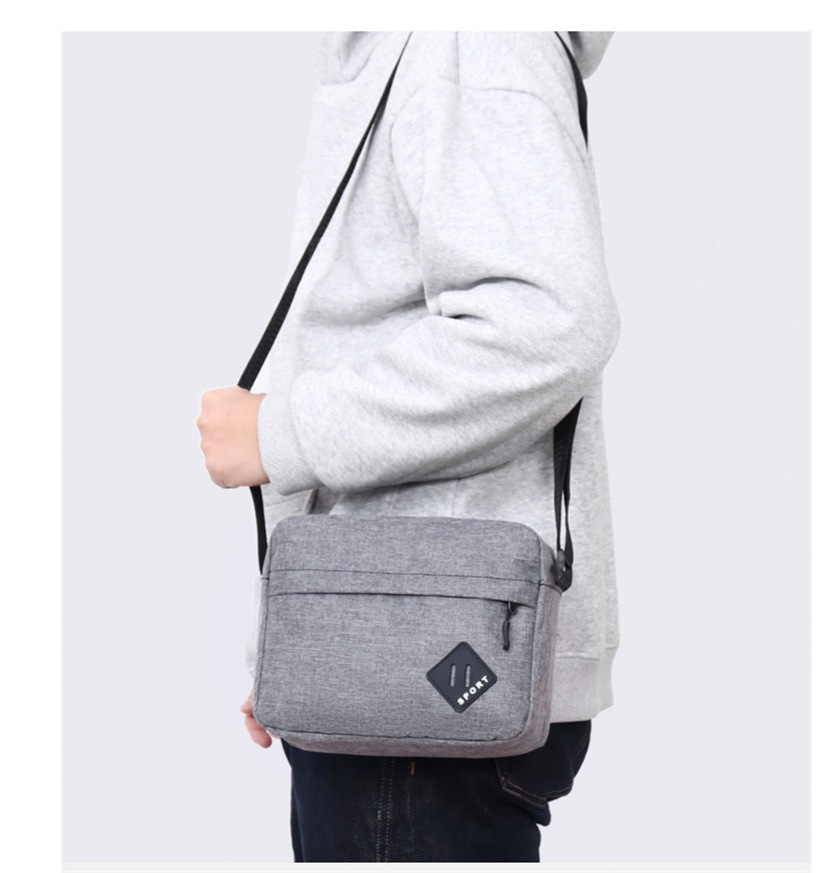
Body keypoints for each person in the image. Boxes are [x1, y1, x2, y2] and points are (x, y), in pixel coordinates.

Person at [197, 30, 620, 863]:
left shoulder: (465, 40)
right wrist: (302, 641)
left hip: (429, 666)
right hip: (397, 648)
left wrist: (280, 432)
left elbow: (547, 324)